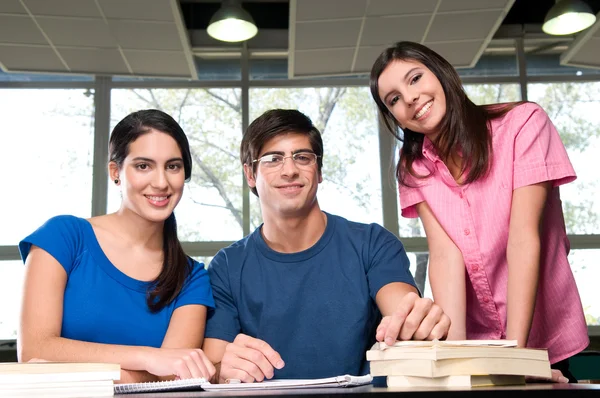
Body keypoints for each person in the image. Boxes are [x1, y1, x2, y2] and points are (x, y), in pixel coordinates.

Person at [369, 41, 589, 383]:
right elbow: (445, 256)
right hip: (479, 348)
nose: (409, 98)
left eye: (415, 79)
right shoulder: (413, 168)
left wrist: (518, 361)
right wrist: (452, 363)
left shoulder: (522, 124)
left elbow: (523, 239)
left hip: (546, 341)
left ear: (442, 75)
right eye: (394, 99)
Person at [201, 109, 451, 383]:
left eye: (303, 157)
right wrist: (223, 370)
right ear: (250, 174)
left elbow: (402, 310)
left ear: (318, 171)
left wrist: (416, 322)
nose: (290, 170)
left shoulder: (372, 244)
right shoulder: (227, 266)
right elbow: (215, 365)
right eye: (273, 159)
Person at [18, 109, 216, 383]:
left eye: (173, 166)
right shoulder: (64, 237)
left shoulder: (191, 277)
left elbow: (172, 379)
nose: (161, 182)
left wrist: (80, 370)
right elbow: (33, 350)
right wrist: (148, 358)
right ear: (116, 172)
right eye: (143, 166)